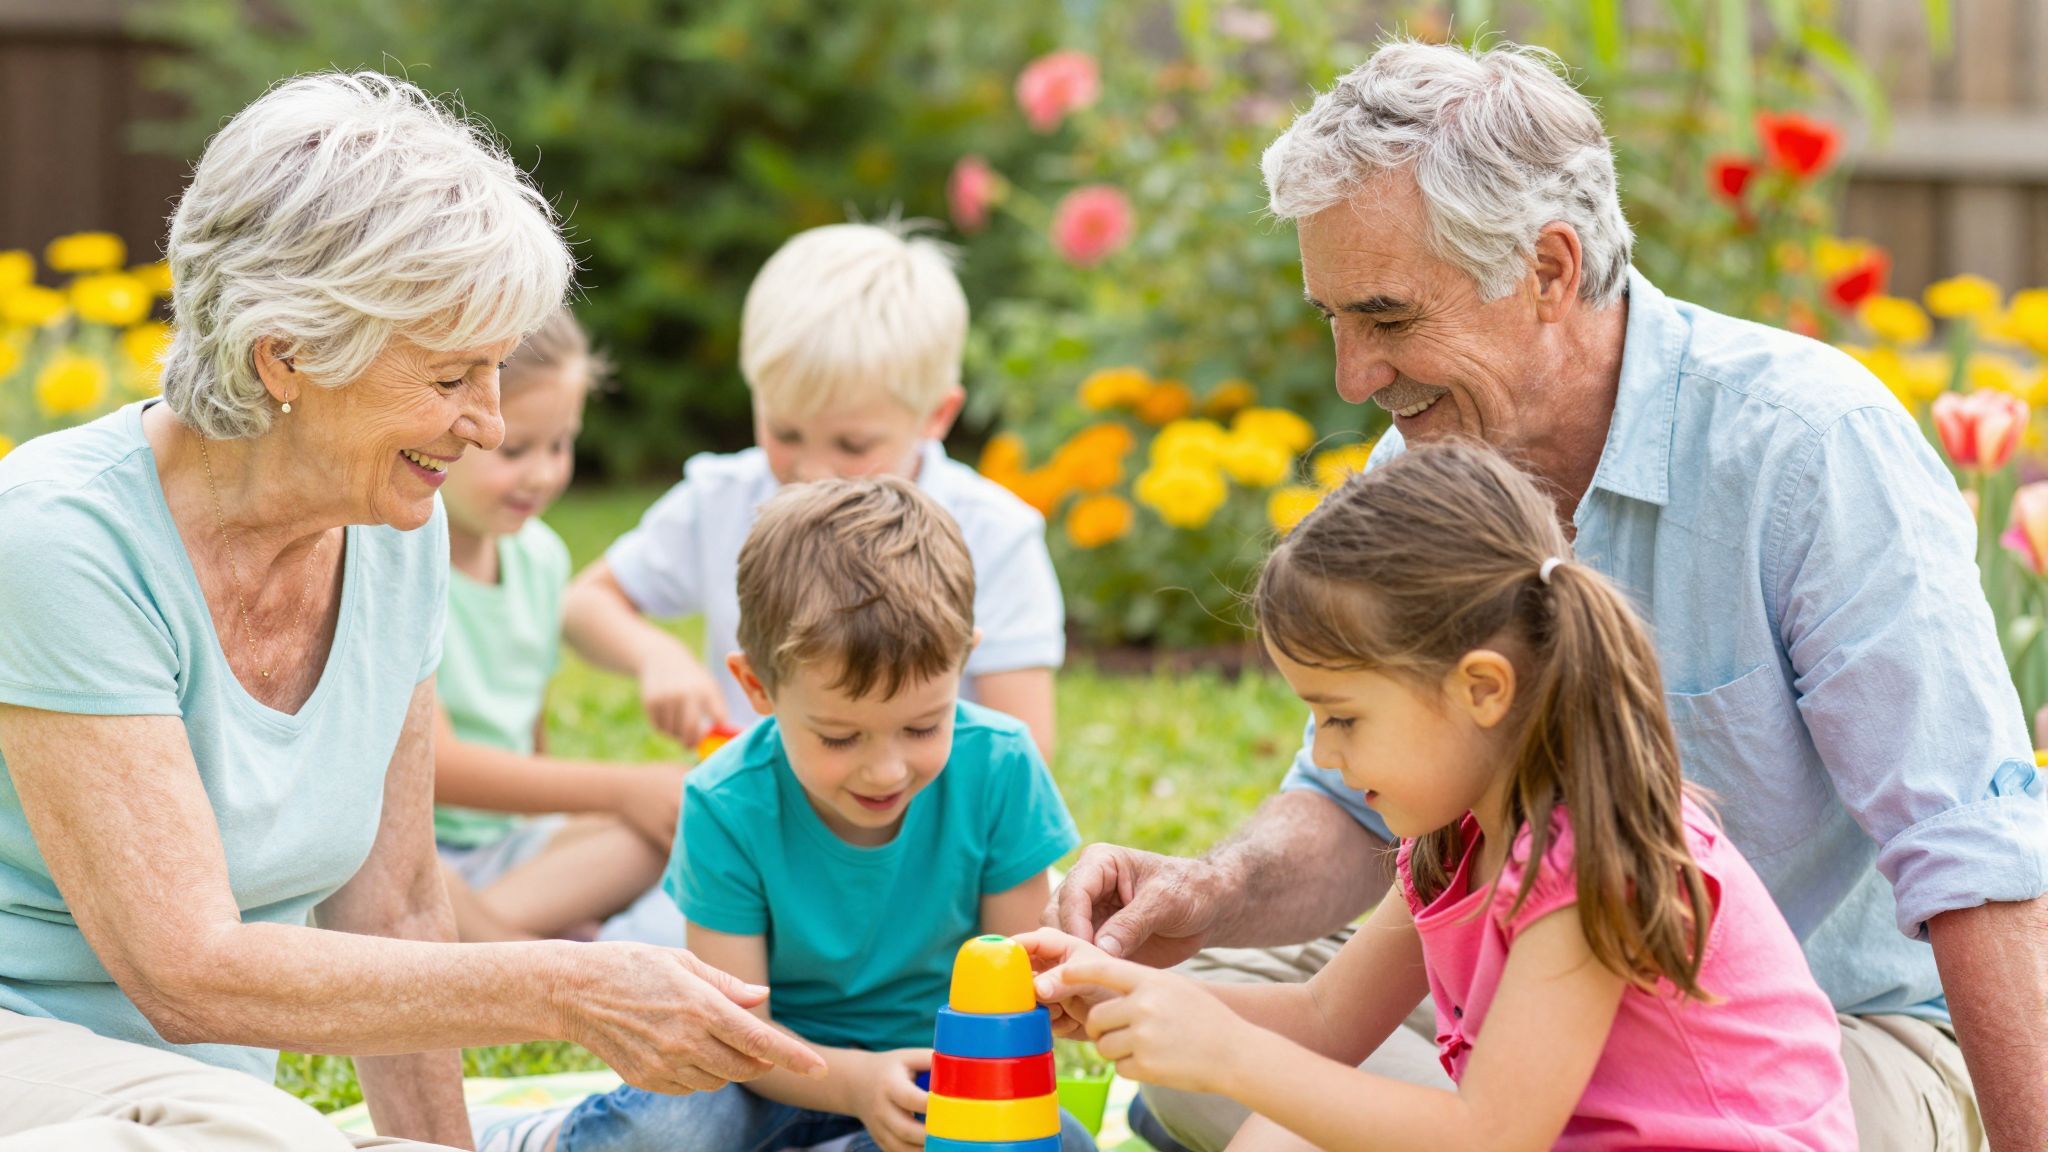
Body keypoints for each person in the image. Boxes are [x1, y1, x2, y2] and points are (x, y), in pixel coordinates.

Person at [1050, 38, 2048, 1152]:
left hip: (1811, 1040)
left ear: (1548, 269)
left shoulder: (1806, 447)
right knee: (1211, 1037)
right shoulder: (1427, 464)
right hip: (1524, 1002)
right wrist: (1206, 890)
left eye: (1383, 316)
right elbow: (1348, 814)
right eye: (1331, 319)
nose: (1351, 378)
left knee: (1285, 1089)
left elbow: (1970, 849)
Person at [0, 72, 821, 1152]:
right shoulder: (61, 539)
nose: (485, 425)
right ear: (284, 356)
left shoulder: (397, 529)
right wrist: (564, 990)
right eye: (449, 379)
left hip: (212, 1106)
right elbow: (186, 970)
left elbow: (393, 907)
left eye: (494, 372)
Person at [1026, 442, 1855, 1149]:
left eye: (1343, 716)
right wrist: (1127, 993)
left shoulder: (1593, 855)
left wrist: (1226, 1055)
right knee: (1293, 1123)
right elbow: (1324, 1020)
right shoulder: (1456, 838)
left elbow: (1491, 1137)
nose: (1322, 751)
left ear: (1482, 689)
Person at [477, 478, 1093, 1152]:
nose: (885, 770)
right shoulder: (724, 802)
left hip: (935, 1078)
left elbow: (1016, 997)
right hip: (757, 1073)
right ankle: (553, 1138)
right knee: (667, 1130)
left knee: (1058, 1143)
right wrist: (855, 1082)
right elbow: (742, 1026)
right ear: (757, 688)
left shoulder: (1001, 767)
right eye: (839, 737)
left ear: (963, 660)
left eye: (921, 726)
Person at [561, 222, 1064, 761]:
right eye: (786, 433)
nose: (813, 472)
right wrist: (654, 655)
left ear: (936, 415)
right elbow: (585, 603)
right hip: (756, 814)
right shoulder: (723, 500)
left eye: (852, 444)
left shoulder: (992, 533)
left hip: (913, 819)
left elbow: (1023, 749)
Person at [429, 307, 682, 943]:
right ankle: (505, 951)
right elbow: (436, 766)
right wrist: (624, 789)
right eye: (515, 450)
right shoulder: (399, 554)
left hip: (507, 851)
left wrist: (605, 818)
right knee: (407, 876)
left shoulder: (541, 559)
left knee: (665, 836)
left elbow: (529, 738)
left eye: (560, 444)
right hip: (412, 849)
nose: (542, 473)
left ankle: (486, 939)